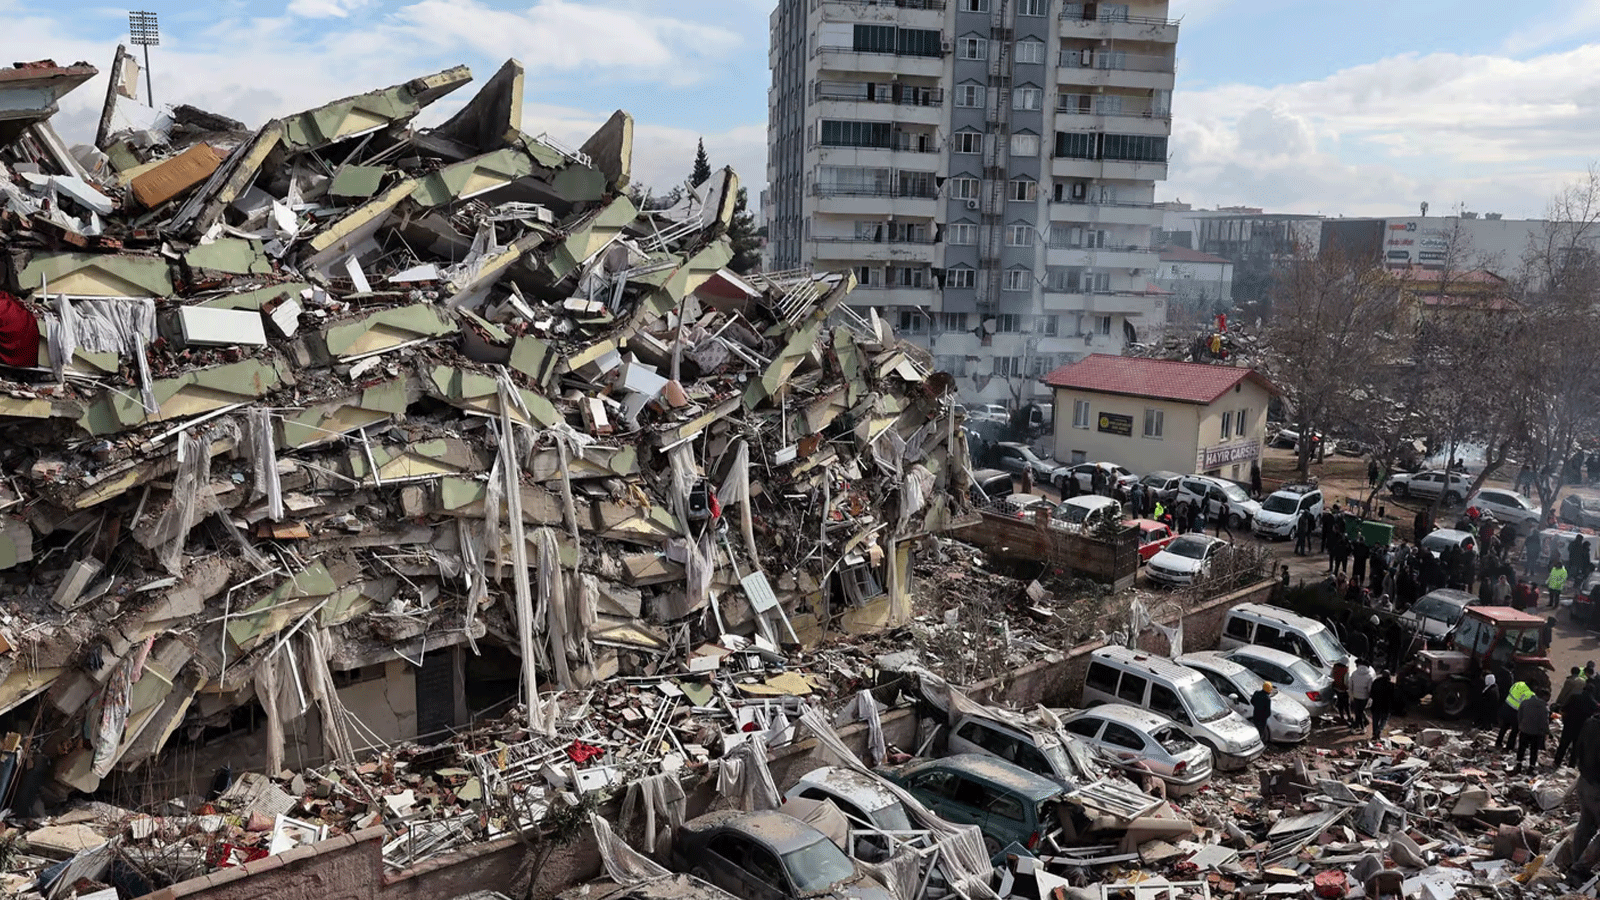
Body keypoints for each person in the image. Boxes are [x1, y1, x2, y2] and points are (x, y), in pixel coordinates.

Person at [1567, 706, 1600, 887]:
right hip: (1597, 787)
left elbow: (1576, 746)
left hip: (1584, 781)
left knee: (1585, 825)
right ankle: (1580, 869)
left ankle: (1575, 866)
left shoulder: (1590, 723)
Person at [1555, 680, 1599, 769]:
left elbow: (1564, 708)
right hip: (1581, 728)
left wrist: (1565, 718)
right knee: (1576, 747)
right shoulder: (1593, 703)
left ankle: (1557, 762)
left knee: (1563, 744)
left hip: (1569, 725)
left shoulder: (1574, 697)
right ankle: (1571, 765)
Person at [1512, 687, 1551, 774]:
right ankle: (1531, 767)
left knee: (1521, 748)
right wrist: (1546, 732)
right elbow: (1545, 722)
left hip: (1524, 729)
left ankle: (1518, 764)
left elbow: (1519, 715)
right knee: (1534, 750)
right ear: (1544, 696)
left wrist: (1521, 725)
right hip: (1536, 732)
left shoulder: (1525, 702)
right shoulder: (1544, 707)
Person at [1498, 678, 1536, 752]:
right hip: (1516, 712)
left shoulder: (1519, 683)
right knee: (1514, 731)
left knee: (1504, 727)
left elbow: (1510, 689)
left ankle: (1498, 742)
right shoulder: (1530, 694)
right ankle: (1509, 747)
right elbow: (1526, 706)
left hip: (1507, 706)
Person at [1349, 658, 1375, 730]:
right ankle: (1361, 726)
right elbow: (1370, 689)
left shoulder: (1354, 673)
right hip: (1364, 697)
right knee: (1360, 711)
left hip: (1355, 696)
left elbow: (1350, 686)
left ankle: (1358, 726)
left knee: (1358, 712)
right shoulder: (1369, 676)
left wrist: (1351, 696)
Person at [1370, 669, 1394, 743]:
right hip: (1386, 706)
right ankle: (1379, 730)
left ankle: (1374, 733)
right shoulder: (1391, 685)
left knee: (1375, 719)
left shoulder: (1376, 682)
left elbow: (1371, 693)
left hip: (1376, 704)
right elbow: (1393, 697)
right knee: (1384, 719)